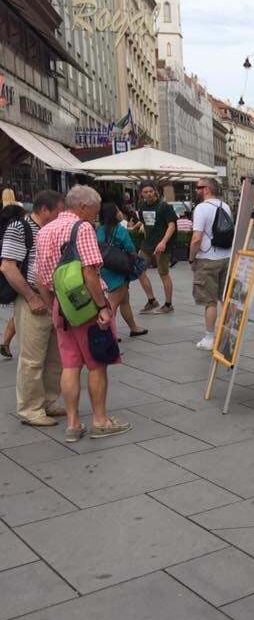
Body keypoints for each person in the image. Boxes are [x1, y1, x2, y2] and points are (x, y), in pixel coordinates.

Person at [35, 185, 131, 441]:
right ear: (83, 207)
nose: (96, 216)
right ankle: (100, 421)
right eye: (95, 211)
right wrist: (102, 307)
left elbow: (40, 277)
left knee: (70, 366)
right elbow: (89, 272)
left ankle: (73, 424)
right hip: (88, 308)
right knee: (97, 364)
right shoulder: (82, 227)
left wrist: (53, 306)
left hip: (62, 308)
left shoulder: (45, 230)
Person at [1, 190, 64, 427]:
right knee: (32, 358)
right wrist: (31, 297)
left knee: (54, 357)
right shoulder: (20, 228)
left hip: (54, 299)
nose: (61, 217)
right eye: (58, 212)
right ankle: (30, 409)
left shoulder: (52, 230)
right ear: (44, 210)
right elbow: (8, 267)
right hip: (33, 301)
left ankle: (47, 401)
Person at [189, 179, 232, 351]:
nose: (196, 190)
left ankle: (209, 338)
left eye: (198, 187)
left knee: (209, 301)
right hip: (226, 256)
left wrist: (192, 258)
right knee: (224, 298)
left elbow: (197, 238)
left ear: (206, 189)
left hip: (207, 259)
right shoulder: (225, 206)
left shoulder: (201, 208)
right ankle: (228, 333)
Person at [96, 202, 147, 339]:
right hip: (120, 269)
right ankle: (109, 333)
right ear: (114, 214)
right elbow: (130, 249)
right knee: (113, 302)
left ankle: (133, 328)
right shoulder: (120, 230)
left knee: (124, 300)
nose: (121, 213)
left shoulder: (98, 230)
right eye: (118, 210)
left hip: (106, 268)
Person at [130, 181, 176, 314]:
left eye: (151, 191)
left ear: (155, 191)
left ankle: (168, 304)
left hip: (162, 245)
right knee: (138, 269)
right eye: (146, 192)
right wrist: (135, 226)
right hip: (147, 244)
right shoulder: (142, 206)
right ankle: (152, 300)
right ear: (141, 194)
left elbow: (171, 225)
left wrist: (163, 242)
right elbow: (145, 221)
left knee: (163, 273)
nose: (149, 194)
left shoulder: (164, 206)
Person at [0, 202, 25, 358]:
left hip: (5, 279)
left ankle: (6, 343)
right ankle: (7, 343)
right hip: (14, 278)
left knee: (18, 312)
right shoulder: (17, 232)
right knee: (20, 312)